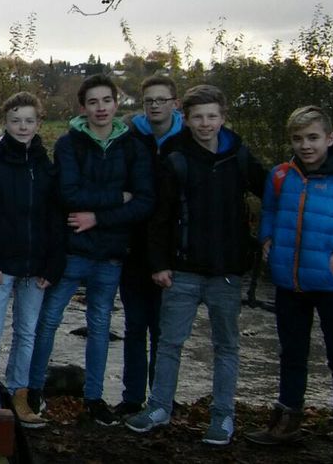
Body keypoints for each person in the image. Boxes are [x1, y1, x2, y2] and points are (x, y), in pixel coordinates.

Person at [125, 85, 266, 446]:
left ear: (223, 117)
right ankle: (159, 407)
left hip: (227, 270)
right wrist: (159, 263)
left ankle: (223, 415)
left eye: (212, 116)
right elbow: (160, 216)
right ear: (185, 119)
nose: (205, 124)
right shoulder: (175, 157)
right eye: (198, 117)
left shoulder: (239, 155)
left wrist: (267, 238)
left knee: (226, 346)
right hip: (183, 268)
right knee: (170, 342)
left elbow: (274, 192)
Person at [27, 74, 154, 426]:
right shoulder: (69, 144)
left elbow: (143, 202)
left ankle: (94, 398)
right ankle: (33, 389)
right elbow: (69, 194)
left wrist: (97, 217)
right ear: (83, 107)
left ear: (116, 103)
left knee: (100, 325)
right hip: (73, 250)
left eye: (106, 101)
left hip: (111, 252)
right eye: (93, 102)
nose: (101, 108)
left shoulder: (133, 147)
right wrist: (117, 197)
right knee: (49, 321)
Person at [248, 105, 333, 463]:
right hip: (290, 283)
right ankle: (287, 421)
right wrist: (267, 238)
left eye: (313, 137)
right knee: (291, 353)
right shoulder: (281, 176)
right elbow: (270, 210)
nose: (306, 145)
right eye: (298, 139)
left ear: (330, 138)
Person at [0, 91, 61, 428]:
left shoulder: (45, 165)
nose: (23, 127)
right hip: (0, 265)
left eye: (29, 121)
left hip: (36, 267)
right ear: (5, 122)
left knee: (26, 333)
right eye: (16, 120)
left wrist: (52, 265)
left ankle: (19, 395)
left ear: (39, 123)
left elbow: (55, 218)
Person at [116, 75, 183, 417]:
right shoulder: (130, 137)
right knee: (134, 326)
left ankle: (162, 397)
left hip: (173, 250)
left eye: (162, 99)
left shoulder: (187, 140)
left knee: (164, 330)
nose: (155, 105)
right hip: (132, 245)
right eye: (149, 100)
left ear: (175, 103)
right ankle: (131, 397)